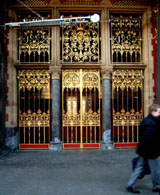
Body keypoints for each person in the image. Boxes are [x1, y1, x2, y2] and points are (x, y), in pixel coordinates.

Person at [126, 104, 160, 194]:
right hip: (150, 150)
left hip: (143, 149)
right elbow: (148, 138)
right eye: (159, 112)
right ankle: (156, 185)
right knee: (155, 169)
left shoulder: (147, 120)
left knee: (139, 167)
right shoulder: (151, 123)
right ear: (153, 112)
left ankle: (130, 184)